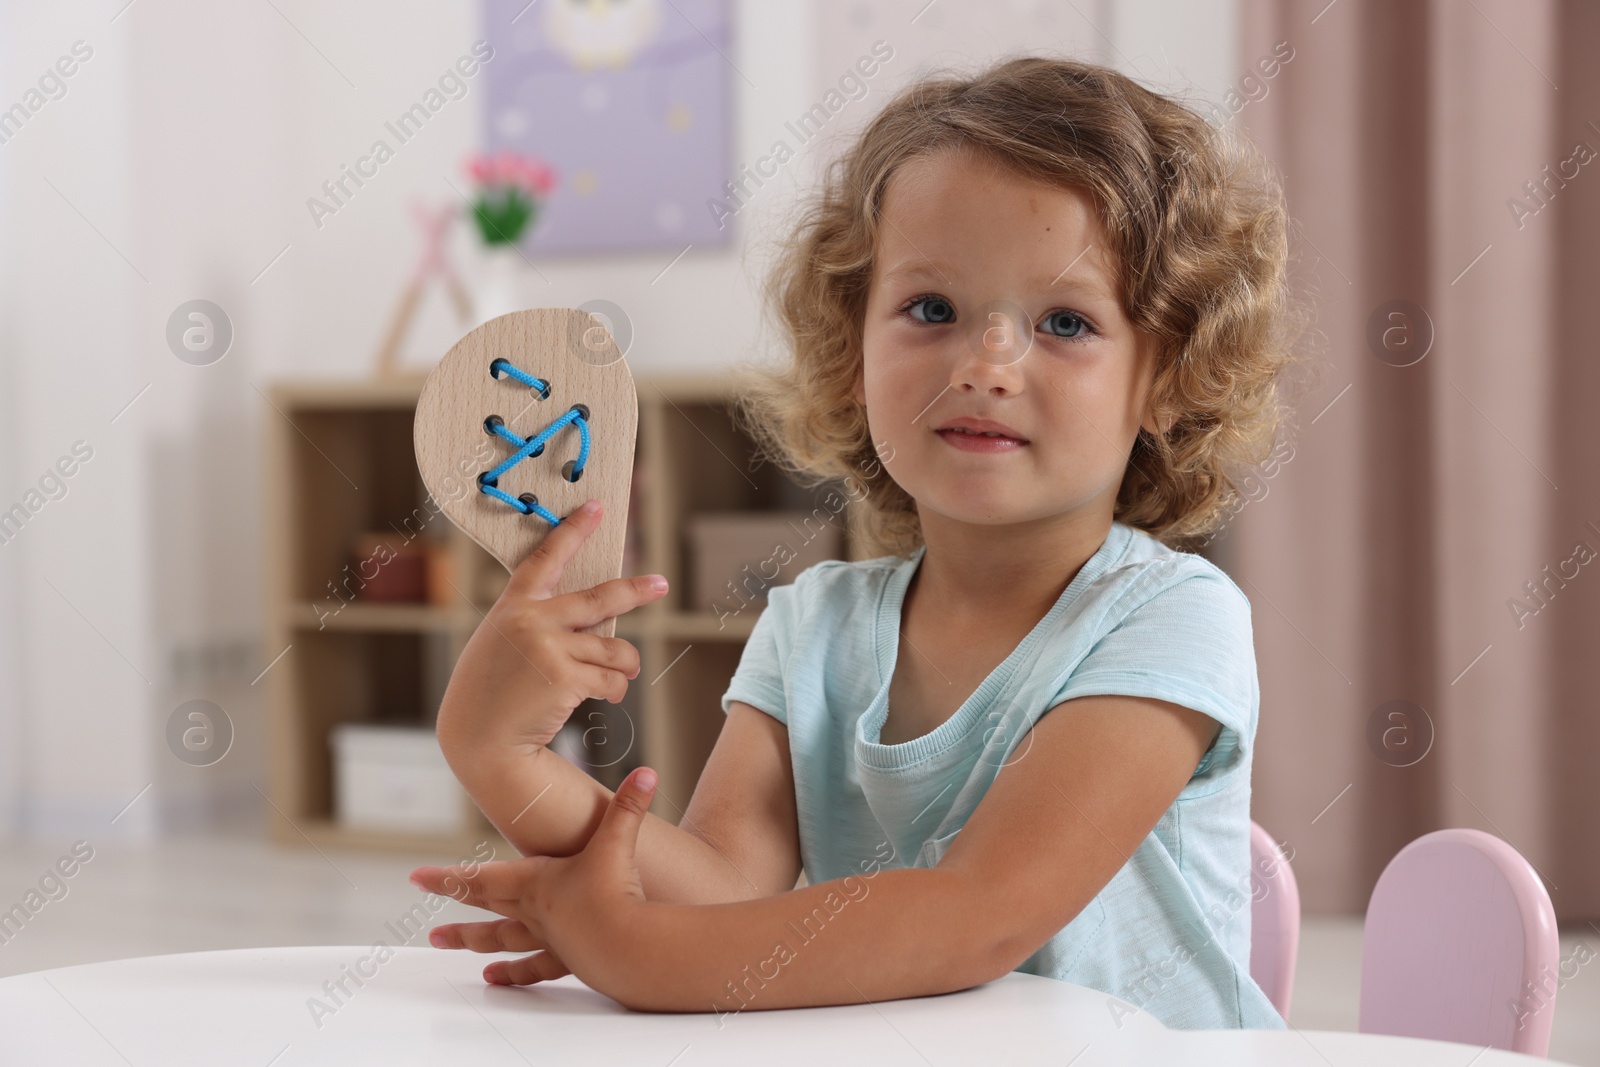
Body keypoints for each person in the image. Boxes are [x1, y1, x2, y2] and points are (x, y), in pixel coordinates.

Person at [409, 54, 1307, 1030]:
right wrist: (495, 749)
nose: (986, 361)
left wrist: (636, 949)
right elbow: (717, 890)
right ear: (852, 345)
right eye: (932, 309)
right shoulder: (814, 624)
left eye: (1063, 320)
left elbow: (978, 914)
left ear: (1167, 375)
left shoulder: (1173, 617)